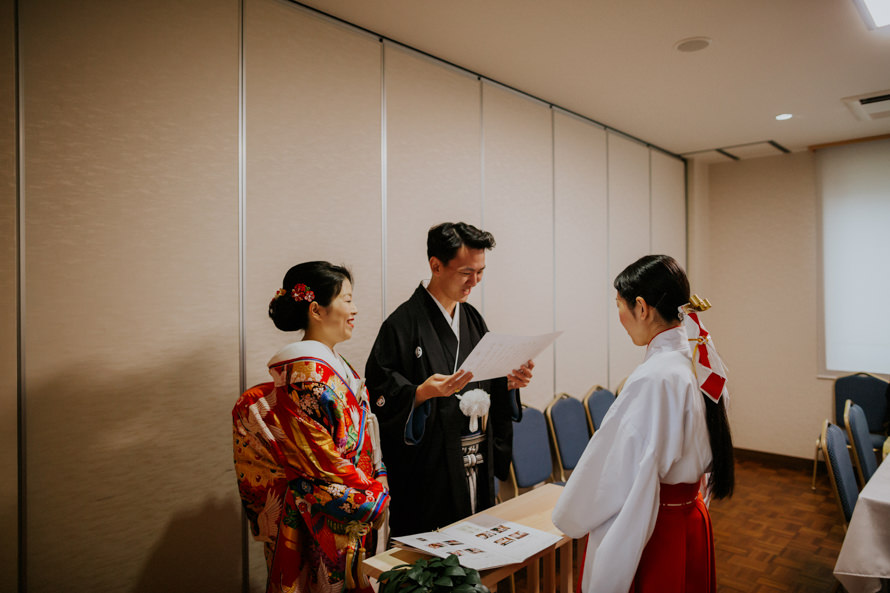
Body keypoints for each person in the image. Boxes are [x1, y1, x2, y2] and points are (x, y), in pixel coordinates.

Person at [552, 254, 734, 593]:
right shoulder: (702, 361)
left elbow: (615, 471)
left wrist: (569, 513)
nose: (619, 316)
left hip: (658, 529)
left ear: (641, 306)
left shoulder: (655, 377)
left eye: (619, 305)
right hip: (692, 518)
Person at [365, 222, 534, 536]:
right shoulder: (401, 325)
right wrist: (420, 394)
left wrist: (506, 382)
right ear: (436, 265)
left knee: (479, 552)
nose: (474, 282)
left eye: (480, 272)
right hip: (430, 472)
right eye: (466, 272)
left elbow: (484, 382)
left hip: (476, 459)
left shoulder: (472, 319)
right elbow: (380, 392)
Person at [233, 261, 389, 593]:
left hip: (355, 492)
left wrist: (378, 476)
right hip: (321, 510)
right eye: (347, 299)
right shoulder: (304, 377)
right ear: (316, 310)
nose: (355, 309)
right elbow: (319, 464)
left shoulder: (331, 365)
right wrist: (373, 494)